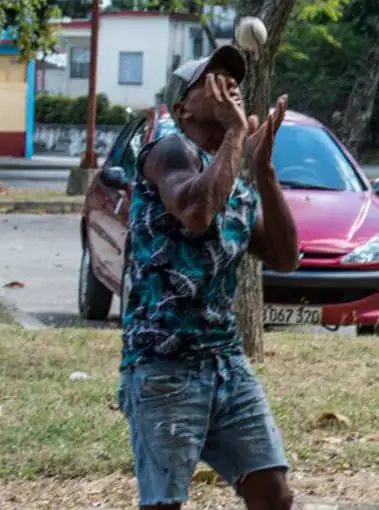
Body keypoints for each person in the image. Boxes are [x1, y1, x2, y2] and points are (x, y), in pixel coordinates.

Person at [119, 45, 300, 509]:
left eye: (233, 78)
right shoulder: (168, 149)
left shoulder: (232, 182)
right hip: (164, 363)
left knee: (273, 493)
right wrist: (238, 132)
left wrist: (263, 170)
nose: (230, 84)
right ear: (183, 108)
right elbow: (195, 211)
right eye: (213, 79)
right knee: (165, 503)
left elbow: (284, 255)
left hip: (224, 360)